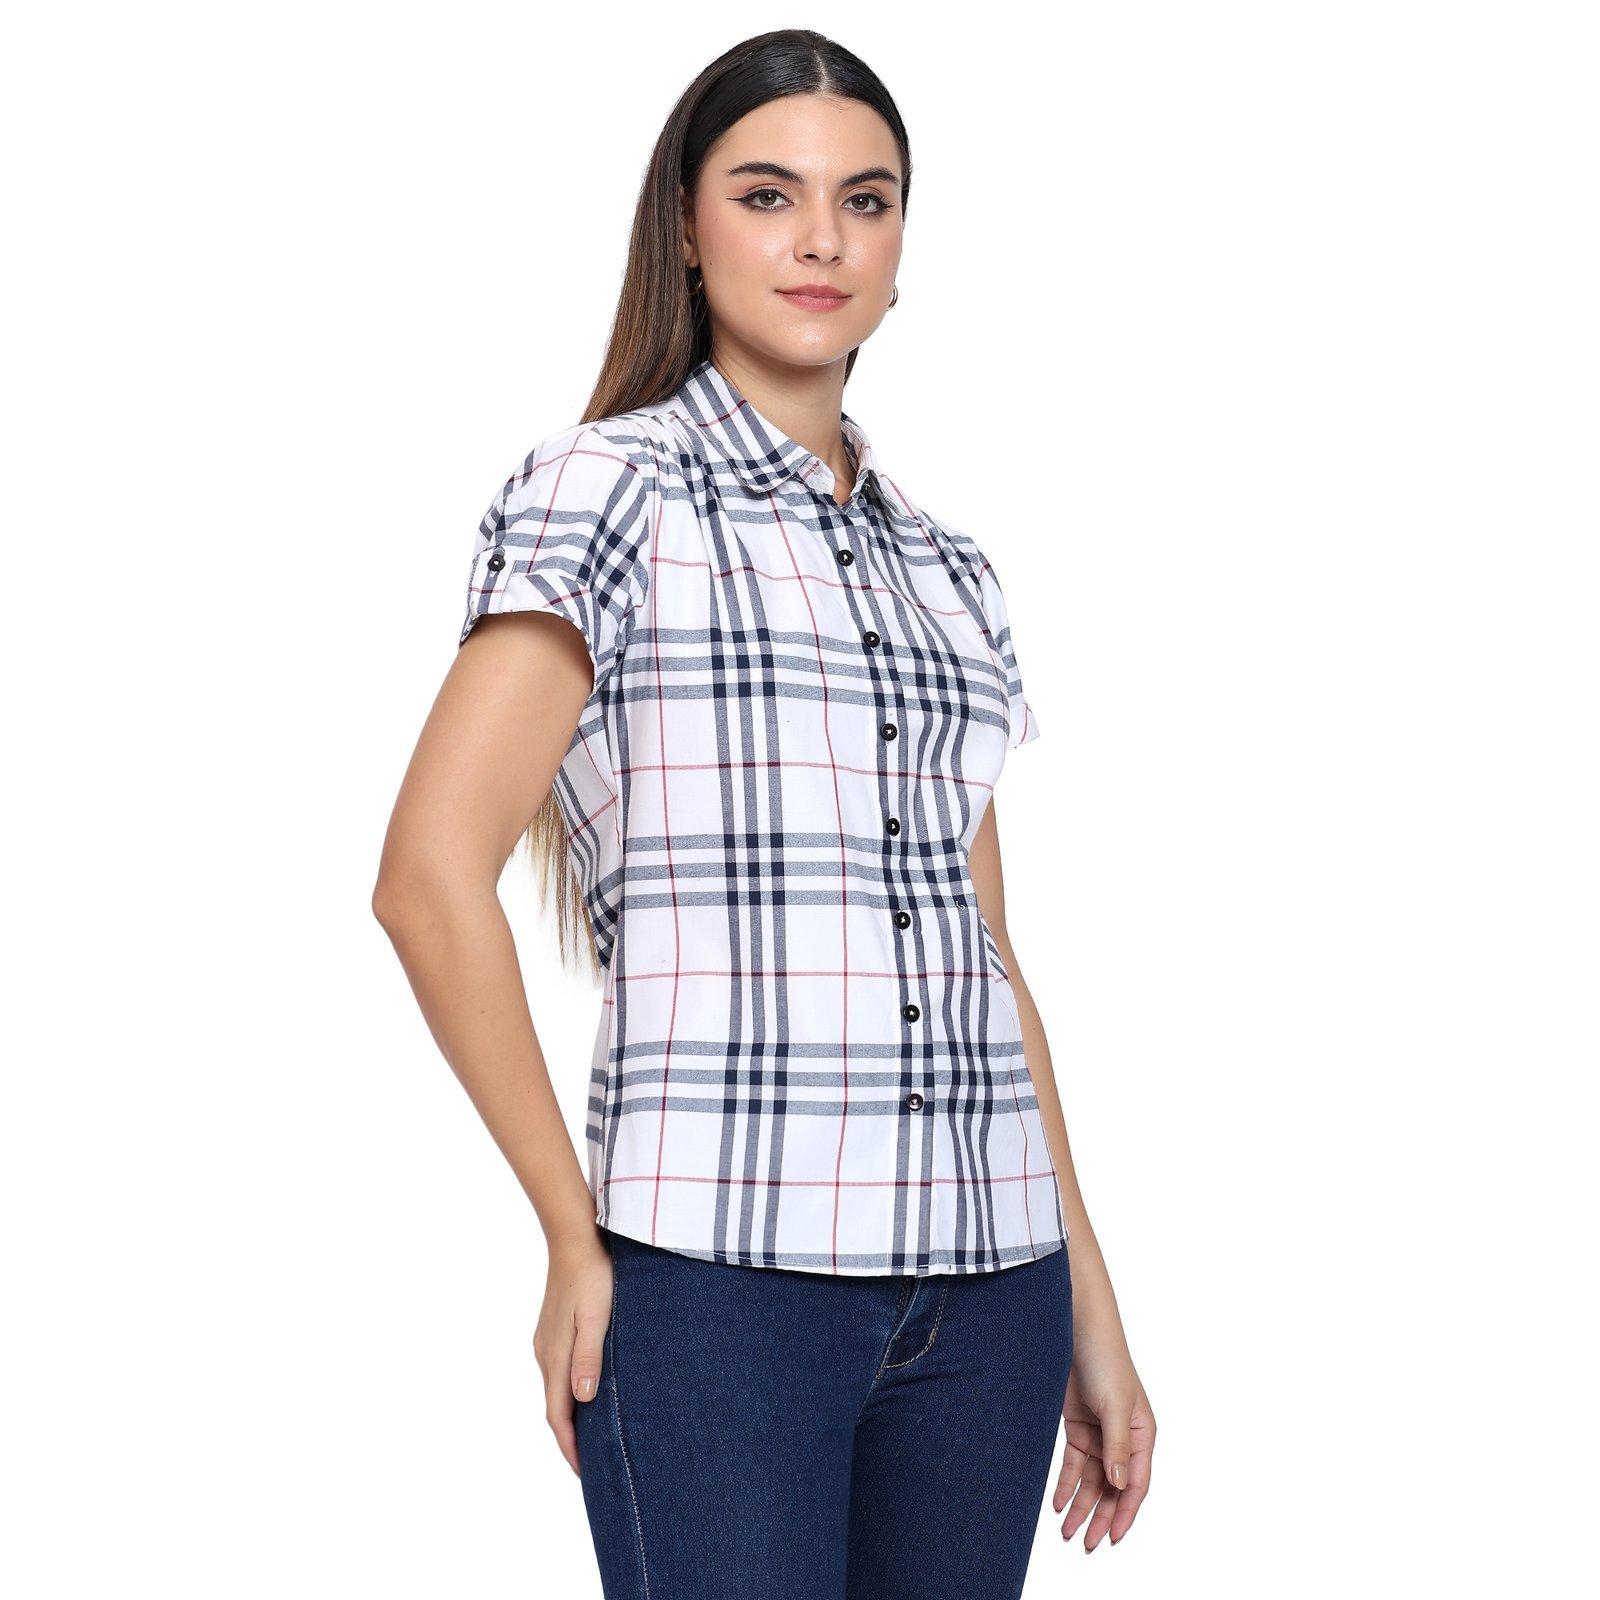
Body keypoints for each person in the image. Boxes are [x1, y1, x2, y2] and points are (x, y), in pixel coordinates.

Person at [374, 27, 1155, 1599]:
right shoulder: (604, 493)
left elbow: (988, 951)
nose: (821, 240)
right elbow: (427, 880)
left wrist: (1093, 1300)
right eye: (766, 194)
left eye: (865, 201)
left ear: (902, 244)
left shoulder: (949, 568)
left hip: (991, 1292)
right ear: (685, 225)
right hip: (722, 1286)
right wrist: (571, 1232)